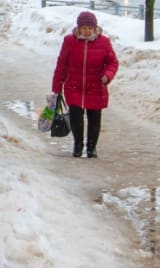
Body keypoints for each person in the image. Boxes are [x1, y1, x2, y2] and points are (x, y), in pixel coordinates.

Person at [52, 11, 119, 158]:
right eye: (84, 27)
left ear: (95, 28)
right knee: (76, 116)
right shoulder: (69, 41)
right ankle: (78, 145)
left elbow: (113, 62)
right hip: (74, 86)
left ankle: (91, 147)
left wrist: (107, 75)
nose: (87, 31)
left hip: (95, 87)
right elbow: (62, 64)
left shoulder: (104, 42)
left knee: (94, 118)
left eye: (90, 28)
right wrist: (57, 86)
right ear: (79, 28)